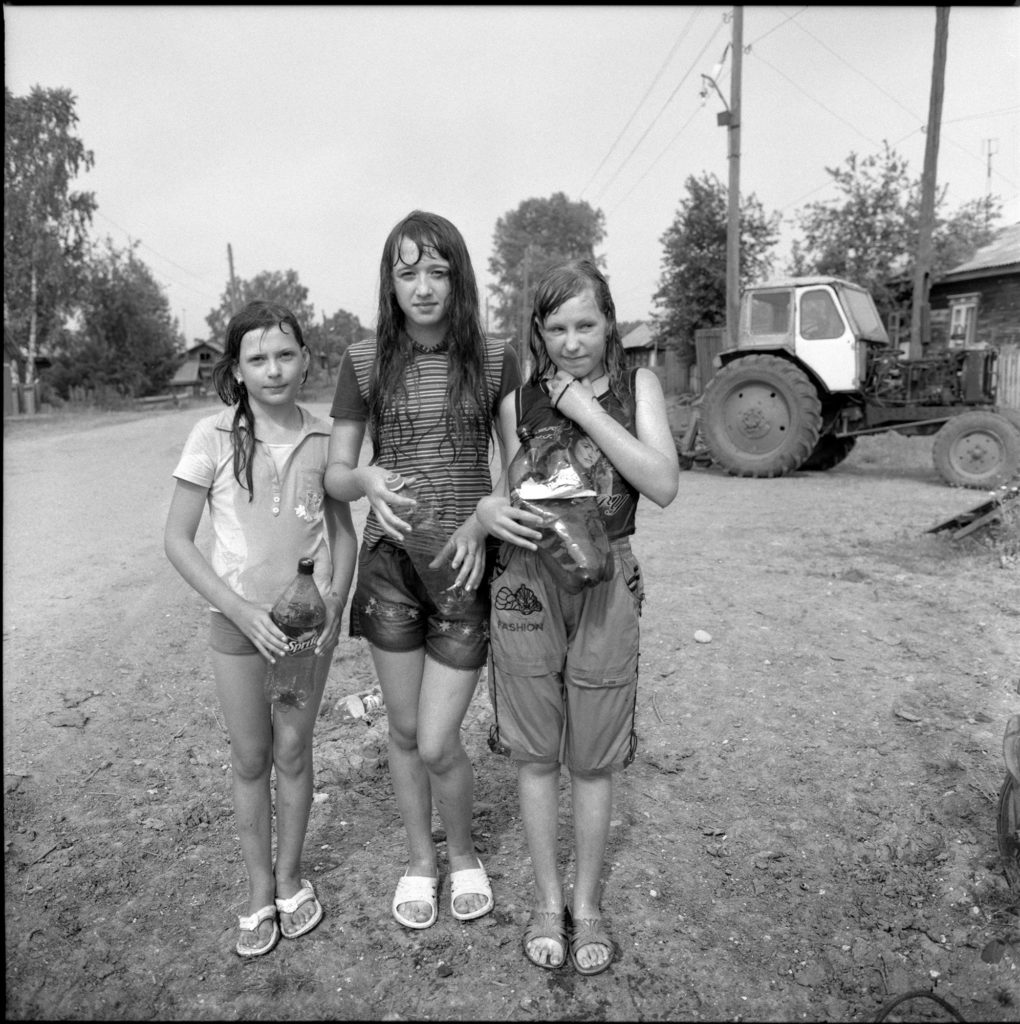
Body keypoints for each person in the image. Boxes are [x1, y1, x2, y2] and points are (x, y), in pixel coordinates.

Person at [476, 258, 679, 974]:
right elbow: (510, 492)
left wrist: (586, 409)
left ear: (609, 322)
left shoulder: (638, 386)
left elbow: (662, 483)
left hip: (608, 576)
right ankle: (544, 900)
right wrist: (486, 510)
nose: (571, 340)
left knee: (592, 759)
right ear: (537, 330)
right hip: (529, 581)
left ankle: (587, 906)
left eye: (585, 324)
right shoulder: (518, 400)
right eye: (555, 327)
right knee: (536, 754)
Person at [324, 210, 522, 929]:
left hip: (466, 568)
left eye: (438, 270)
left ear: (459, 277)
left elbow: (520, 461)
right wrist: (368, 482)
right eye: (408, 272)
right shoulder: (362, 361)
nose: (424, 286)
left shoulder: (497, 358)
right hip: (391, 570)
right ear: (391, 282)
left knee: (440, 739)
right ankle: (420, 859)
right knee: (404, 734)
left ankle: (463, 852)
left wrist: (486, 512)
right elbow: (337, 472)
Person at [164, 300, 357, 958]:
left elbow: (342, 533)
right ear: (238, 369)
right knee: (251, 760)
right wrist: (242, 611)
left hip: (303, 633)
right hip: (236, 627)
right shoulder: (212, 438)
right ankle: (256, 891)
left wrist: (334, 600)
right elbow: (178, 540)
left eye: (285, 355)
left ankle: (291, 877)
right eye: (257, 358)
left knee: (294, 753)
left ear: (306, 359)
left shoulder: (328, 438)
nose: (274, 369)